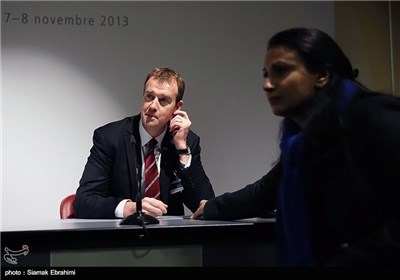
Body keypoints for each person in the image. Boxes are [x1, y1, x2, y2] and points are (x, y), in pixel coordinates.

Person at [191, 27, 400, 266]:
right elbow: (266, 192)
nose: (267, 84)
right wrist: (213, 207)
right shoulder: (302, 141)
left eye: (281, 71)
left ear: (321, 75)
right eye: (265, 73)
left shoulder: (373, 119)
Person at [74, 67, 215, 219]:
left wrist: (182, 151)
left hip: (168, 236)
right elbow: (83, 202)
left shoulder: (187, 141)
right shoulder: (110, 138)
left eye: (163, 100)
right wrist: (129, 208)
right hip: (120, 233)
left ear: (177, 107)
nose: (153, 106)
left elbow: (204, 205)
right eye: (149, 96)